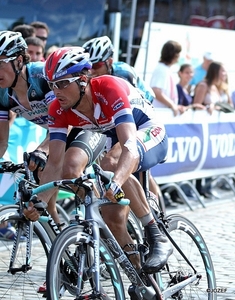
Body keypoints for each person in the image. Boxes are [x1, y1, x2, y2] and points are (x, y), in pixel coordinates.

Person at [23, 46, 173, 274]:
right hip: (117, 139)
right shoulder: (58, 108)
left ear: (83, 80)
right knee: (112, 219)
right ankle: (141, 279)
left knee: (111, 164)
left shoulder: (108, 87)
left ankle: (156, 234)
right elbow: (55, 164)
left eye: (63, 83)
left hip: (147, 131)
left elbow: (129, 146)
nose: (56, 91)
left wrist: (116, 181)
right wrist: (40, 201)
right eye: (52, 85)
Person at [0, 32, 105, 239]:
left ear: (19, 60)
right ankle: (61, 243)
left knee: (71, 169)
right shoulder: (2, 93)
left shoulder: (41, 77)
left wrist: (41, 150)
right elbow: (2, 140)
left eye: (0, 62)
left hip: (83, 126)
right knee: (42, 193)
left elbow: (62, 121)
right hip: (57, 133)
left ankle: (102, 215)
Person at [82, 35, 161, 204]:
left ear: (109, 62)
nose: (91, 71)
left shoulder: (123, 72)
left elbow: (137, 102)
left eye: (96, 65)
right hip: (114, 119)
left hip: (139, 116)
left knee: (139, 167)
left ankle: (158, 210)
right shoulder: (91, 81)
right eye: (88, 66)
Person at [150, 40, 186, 116]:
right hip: (160, 114)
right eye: (178, 53)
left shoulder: (165, 69)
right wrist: (172, 105)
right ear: (174, 55)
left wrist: (175, 106)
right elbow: (156, 91)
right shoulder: (161, 69)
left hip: (164, 114)